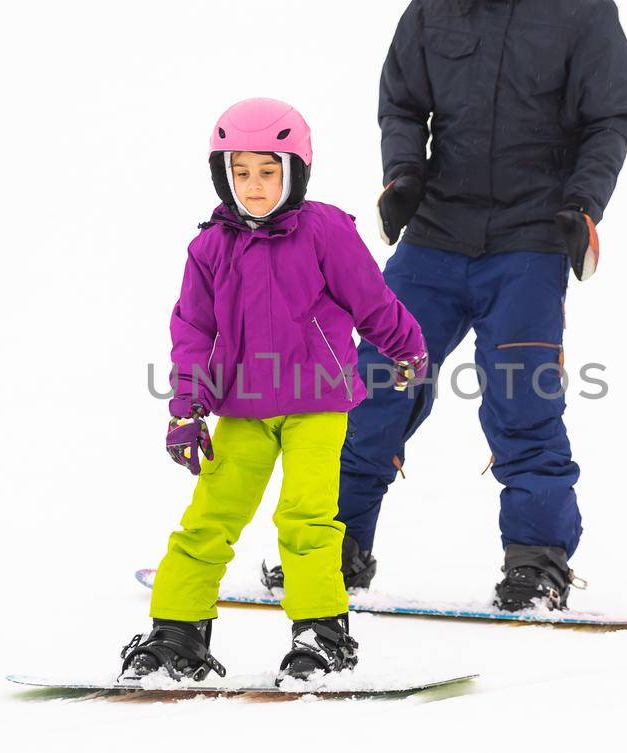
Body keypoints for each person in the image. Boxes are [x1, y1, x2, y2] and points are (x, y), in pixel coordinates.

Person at [337, 0, 627, 611]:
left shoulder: (582, 12)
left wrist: (584, 202)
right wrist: (403, 174)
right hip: (433, 236)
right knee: (370, 387)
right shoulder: (432, 11)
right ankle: (330, 544)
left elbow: (612, 115)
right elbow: (401, 101)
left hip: (530, 240)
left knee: (523, 401)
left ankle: (536, 563)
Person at [119, 98, 428, 685]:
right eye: (241, 172)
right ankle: (176, 633)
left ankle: (321, 634)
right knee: (209, 517)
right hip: (241, 409)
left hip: (318, 403)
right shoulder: (210, 247)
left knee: (305, 520)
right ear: (222, 174)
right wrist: (186, 412)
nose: (254, 187)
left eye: (268, 171)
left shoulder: (325, 231)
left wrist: (406, 347)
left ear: (295, 171)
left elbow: (371, 300)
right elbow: (193, 333)